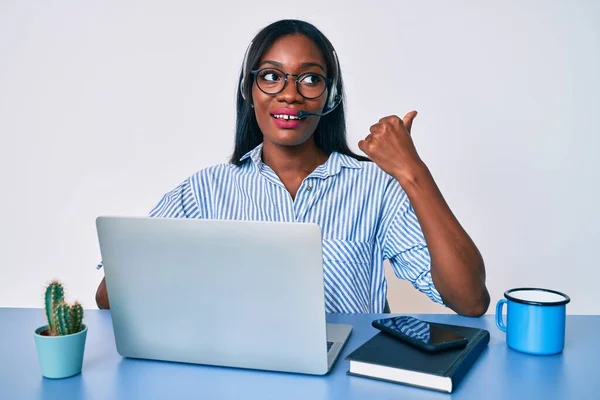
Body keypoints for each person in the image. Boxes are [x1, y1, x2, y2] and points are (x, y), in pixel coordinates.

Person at [95, 19, 490, 316]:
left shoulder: (376, 188)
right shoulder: (205, 190)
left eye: (310, 79)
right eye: (271, 76)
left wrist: (412, 172)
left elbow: (470, 300)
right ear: (249, 92)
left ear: (330, 94)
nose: (289, 93)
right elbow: (108, 298)